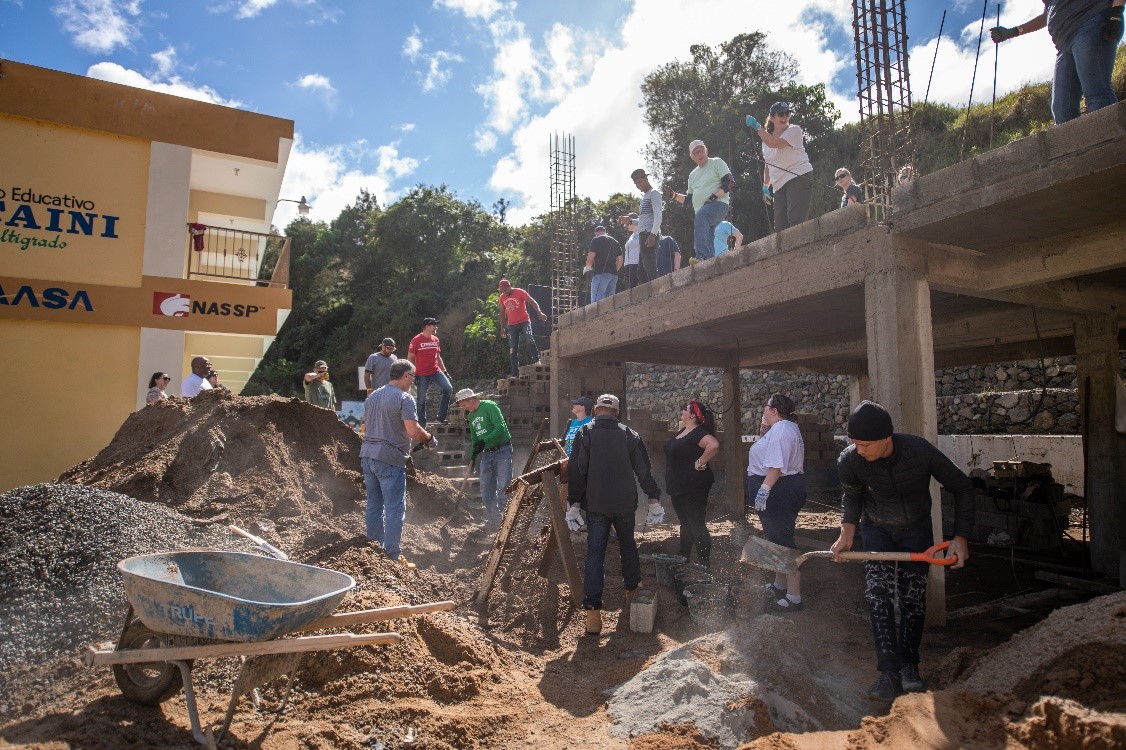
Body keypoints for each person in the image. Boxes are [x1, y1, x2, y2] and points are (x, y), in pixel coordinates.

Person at [831, 401, 976, 702]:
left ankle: (909, 666)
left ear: (887, 439)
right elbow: (852, 495)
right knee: (878, 594)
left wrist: (960, 537)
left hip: (916, 531)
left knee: (912, 598)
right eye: (855, 444)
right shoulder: (851, 460)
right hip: (877, 531)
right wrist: (847, 533)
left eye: (866, 445)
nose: (860, 451)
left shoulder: (918, 451)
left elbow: (962, 486)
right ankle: (888, 673)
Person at [565, 393, 664, 635]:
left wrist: (574, 503)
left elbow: (577, 471)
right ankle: (630, 595)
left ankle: (593, 617)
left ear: (596, 410)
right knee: (628, 546)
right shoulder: (629, 435)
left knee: (595, 554)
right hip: (624, 504)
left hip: (597, 504)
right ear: (617, 412)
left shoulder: (584, 433)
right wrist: (653, 498)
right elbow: (643, 470)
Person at [991, 1, 1123, 125]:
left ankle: (1116, 146)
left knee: (1097, 93)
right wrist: (1013, 32)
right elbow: (1048, 13)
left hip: (1091, 22)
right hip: (1064, 43)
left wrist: (1116, 12)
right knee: (1062, 109)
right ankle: (1079, 149)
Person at [361, 359, 435, 568]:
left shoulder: (372, 396)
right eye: (413, 376)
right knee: (394, 508)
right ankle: (392, 555)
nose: (413, 380)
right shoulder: (405, 398)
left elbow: (367, 428)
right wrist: (429, 439)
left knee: (374, 505)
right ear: (405, 376)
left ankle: (373, 550)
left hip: (367, 456)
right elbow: (413, 431)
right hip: (389, 459)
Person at [746, 393, 807, 611]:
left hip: (779, 489)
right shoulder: (784, 428)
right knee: (776, 539)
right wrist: (764, 431)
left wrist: (764, 489)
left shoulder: (782, 429)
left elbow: (777, 466)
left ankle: (794, 597)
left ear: (774, 410)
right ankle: (779, 585)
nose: (763, 409)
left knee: (783, 541)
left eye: (766, 406)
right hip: (782, 488)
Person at [664, 400, 721, 568]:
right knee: (685, 523)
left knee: (696, 522)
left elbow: (714, 445)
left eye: (685, 409)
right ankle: (684, 557)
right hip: (679, 485)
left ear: (693, 415)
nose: (682, 411)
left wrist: (700, 462)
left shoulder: (699, 433)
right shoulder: (684, 431)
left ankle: (704, 563)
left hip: (694, 486)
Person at [747, 102, 814, 231]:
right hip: (778, 185)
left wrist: (757, 127)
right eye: (780, 114)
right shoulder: (765, 141)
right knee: (780, 227)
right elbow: (768, 164)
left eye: (787, 113)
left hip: (798, 176)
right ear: (772, 117)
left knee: (795, 219)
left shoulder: (794, 130)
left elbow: (775, 143)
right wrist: (766, 186)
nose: (784, 117)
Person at [456, 387, 513, 526]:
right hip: (487, 454)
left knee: (504, 486)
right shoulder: (471, 416)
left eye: (465, 405)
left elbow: (500, 428)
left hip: (502, 450)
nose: (465, 408)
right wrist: (473, 457)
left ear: (471, 399)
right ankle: (494, 520)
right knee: (486, 488)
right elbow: (475, 438)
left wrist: (484, 441)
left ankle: (506, 522)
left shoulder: (490, 406)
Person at [669, 140, 734, 262]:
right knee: (708, 238)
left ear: (706, 151)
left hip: (718, 204)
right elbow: (688, 199)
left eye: (701, 150)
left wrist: (714, 196)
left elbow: (730, 182)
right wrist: (673, 196)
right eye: (696, 152)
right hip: (702, 213)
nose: (699, 154)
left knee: (701, 215)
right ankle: (709, 261)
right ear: (692, 157)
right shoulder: (692, 175)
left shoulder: (716, 162)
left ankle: (701, 256)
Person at [497, 279, 548, 377]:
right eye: (502, 290)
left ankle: (537, 360)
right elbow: (502, 313)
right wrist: (502, 328)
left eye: (505, 290)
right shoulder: (502, 297)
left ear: (509, 286)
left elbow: (532, 302)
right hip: (512, 325)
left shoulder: (519, 292)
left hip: (524, 322)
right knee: (513, 348)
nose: (504, 292)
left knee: (529, 337)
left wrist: (539, 312)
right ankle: (515, 371)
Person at [408, 317, 453, 427]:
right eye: (433, 325)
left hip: (435, 371)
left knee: (448, 388)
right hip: (422, 374)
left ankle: (441, 417)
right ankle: (422, 425)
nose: (435, 327)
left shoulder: (436, 340)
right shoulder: (416, 340)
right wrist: (413, 374)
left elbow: (438, 357)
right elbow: (410, 358)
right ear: (427, 326)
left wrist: (445, 371)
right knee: (421, 401)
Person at [631, 168, 663, 282]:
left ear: (646, 178)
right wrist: (630, 221)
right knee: (641, 271)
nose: (638, 185)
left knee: (650, 268)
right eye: (636, 184)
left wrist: (653, 234)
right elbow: (643, 220)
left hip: (648, 234)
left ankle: (656, 291)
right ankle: (648, 295)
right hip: (643, 233)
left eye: (639, 182)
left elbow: (658, 215)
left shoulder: (654, 193)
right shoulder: (644, 197)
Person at [583, 225, 623, 303]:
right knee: (610, 302)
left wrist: (587, 268)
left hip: (600, 273)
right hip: (613, 275)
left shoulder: (596, 240)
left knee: (597, 301)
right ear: (605, 232)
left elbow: (590, 257)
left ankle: (596, 315)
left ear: (596, 233)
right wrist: (615, 270)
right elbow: (620, 260)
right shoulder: (615, 242)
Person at [620, 214, 643, 289]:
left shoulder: (641, 230)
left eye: (627, 223)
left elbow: (642, 221)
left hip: (637, 263)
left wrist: (631, 220)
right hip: (628, 265)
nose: (626, 226)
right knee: (631, 288)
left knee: (638, 287)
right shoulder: (632, 235)